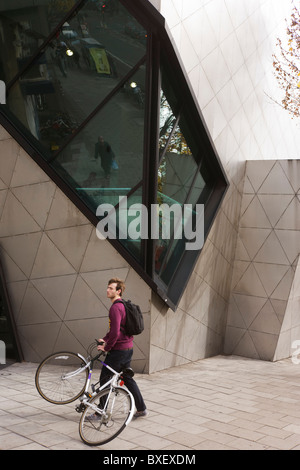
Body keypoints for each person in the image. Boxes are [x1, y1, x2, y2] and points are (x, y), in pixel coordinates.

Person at [97, 277, 148, 418]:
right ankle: (141, 408)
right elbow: (117, 329)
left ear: (118, 291)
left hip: (118, 352)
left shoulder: (115, 308)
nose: (107, 290)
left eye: (111, 288)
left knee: (104, 380)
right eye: (107, 287)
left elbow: (115, 332)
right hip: (127, 348)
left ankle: (100, 412)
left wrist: (107, 348)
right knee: (128, 379)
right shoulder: (122, 305)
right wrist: (105, 339)